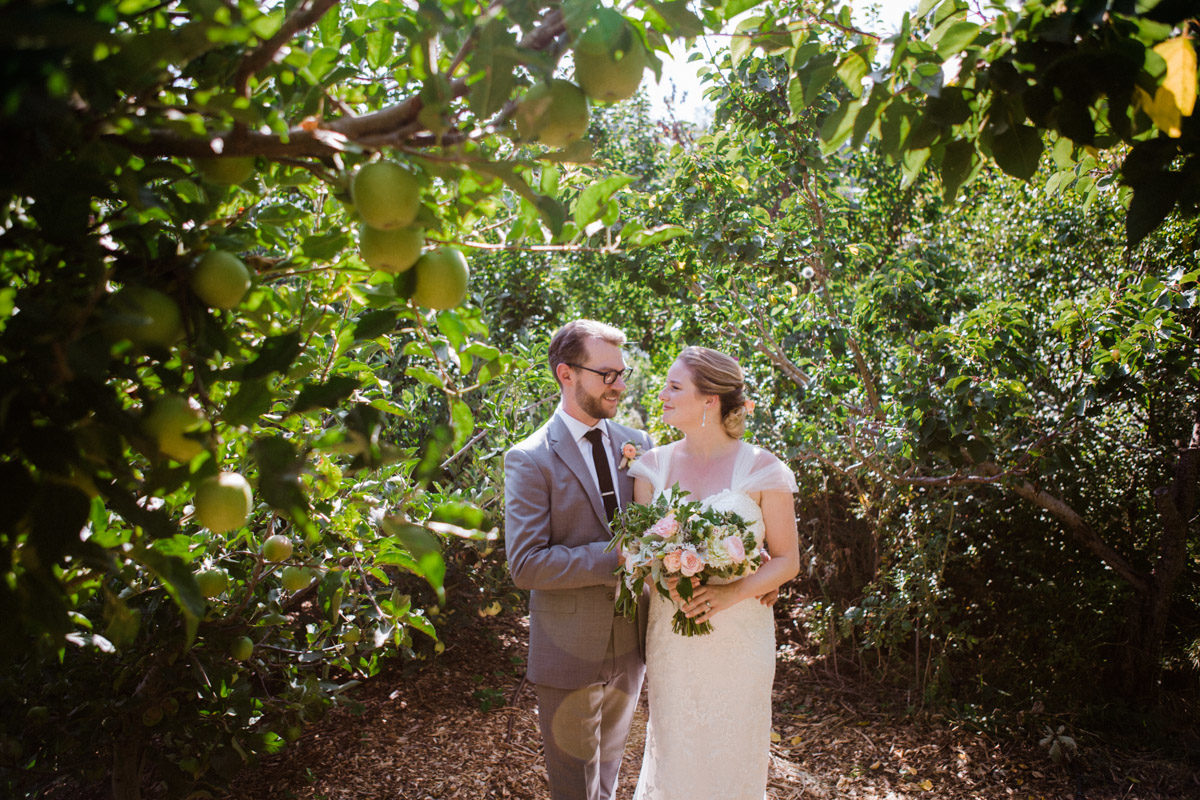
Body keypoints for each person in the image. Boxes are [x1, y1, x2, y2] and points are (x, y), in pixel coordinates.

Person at [629, 346, 800, 800]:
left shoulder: (764, 469)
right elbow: (644, 554)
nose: (661, 394)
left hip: (741, 637)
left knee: (733, 753)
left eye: (674, 386)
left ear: (710, 400)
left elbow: (787, 559)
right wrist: (666, 577)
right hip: (674, 633)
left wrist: (733, 592)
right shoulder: (651, 467)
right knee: (676, 749)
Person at [504, 319, 654, 800]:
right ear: (566, 374)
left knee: (607, 783)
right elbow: (526, 564)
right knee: (574, 791)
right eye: (606, 374)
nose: (620, 385)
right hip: (566, 651)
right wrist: (617, 557)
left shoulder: (640, 444)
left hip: (632, 643)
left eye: (621, 372)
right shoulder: (529, 459)